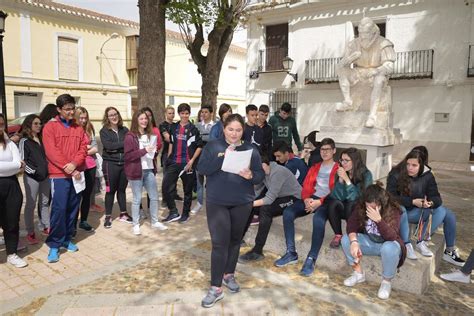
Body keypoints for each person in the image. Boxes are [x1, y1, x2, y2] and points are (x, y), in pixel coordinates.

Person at [197, 113, 264, 308]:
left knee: (235, 241)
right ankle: (215, 288)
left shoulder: (251, 149)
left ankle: (229, 275)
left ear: (243, 130)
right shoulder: (213, 146)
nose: (234, 134)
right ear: (224, 129)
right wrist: (223, 157)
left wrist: (251, 174)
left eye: (238, 130)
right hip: (217, 201)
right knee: (219, 243)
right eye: (230, 129)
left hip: (242, 202)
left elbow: (259, 175)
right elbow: (202, 169)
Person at [387, 150, 465, 266]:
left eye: (414, 165)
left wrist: (430, 203)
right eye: (408, 164)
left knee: (442, 211)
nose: (410, 168)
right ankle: (408, 244)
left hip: (418, 211)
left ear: (421, 165)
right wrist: (412, 202)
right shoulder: (396, 173)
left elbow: (437, 197)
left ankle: (422, 241)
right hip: (400, 212)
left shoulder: (427, 176)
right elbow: (390, 197)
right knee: (402, 208)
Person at [274, 138, 338, 276]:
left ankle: (311, 258)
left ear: (334, 151)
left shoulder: (338, 169)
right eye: (322, 149)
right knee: (288, 212)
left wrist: (319, 202)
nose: (325, 152)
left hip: (326, 201)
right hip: (311, 199)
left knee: (318, 220)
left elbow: (336, 191)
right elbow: (306, 185)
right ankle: (291, 252)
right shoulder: (315, 167)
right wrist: (306, 199)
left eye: (328, 149)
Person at [42, 94, 88, 263]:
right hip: (59, 175)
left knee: (73, 208)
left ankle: (67, 239)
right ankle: (54, 244)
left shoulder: (78, 128)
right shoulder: (50, 127)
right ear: (59, 110)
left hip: (75, 174)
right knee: (59, 209)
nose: (71, 112)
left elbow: (83, 148)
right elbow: (51, 151)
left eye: (72, 108)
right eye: (67, 109)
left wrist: (75, 164)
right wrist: (67, 166)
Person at [341, 184, 405, 300]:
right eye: (368, 206)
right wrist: (354, 242)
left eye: (375, 207)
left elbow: (392, 236)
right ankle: (358, 274)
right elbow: (351, 225)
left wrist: (379, 220)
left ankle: (386, 282)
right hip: (370, 243)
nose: (371, 209)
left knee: (389, 248)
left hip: (389, 245)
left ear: (382, 203)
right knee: (346, 239)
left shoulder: (393, 210)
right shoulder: (361, 207)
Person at [239, 154, 302, 262]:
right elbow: (256, 192)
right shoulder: (263, 172)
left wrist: (250, 203)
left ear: (263, 165)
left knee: (265, 209)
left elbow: (269, 199)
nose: (253, 171)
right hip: (280, 197)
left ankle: (257, 251)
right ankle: (238, 239)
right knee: (251, 206)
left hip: (294, 198)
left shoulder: (278, 172)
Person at [336, 17, 396, 128]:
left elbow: (389, 65)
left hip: (377, 73)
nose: (363, 36)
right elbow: (341, 65)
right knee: (341, 70)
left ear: (374, 32)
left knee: (379, 80)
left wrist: (376, 70)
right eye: (361, 33)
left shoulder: (384, 43)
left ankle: (372, 115)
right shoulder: (353, 44)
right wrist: (348, 60)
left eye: (366, 33)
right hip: (359, 72)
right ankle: (348, 102)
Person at [124, 109, 168, 235]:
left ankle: (155, 221)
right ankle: (136, 224)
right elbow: (128, 156)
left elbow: (153, 152)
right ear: (136, 120)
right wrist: (144, 151)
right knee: (137, 199)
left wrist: (154, 152)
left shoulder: (150, 135)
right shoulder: (130, 136)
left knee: (154, 197)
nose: (144, 121)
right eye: (141, 119)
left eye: (145, 118)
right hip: (136, 172)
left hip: (149, 170)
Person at [162, 103, 203, 224]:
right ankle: (173, 211)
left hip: (187, 164)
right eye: (182, 113)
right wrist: (169, 157)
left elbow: (199, 146)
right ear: (179, 114)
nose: (184, 116)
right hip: (174, 162)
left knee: (187, 191)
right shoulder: (173, 127)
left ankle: (185, 214)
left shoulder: (193, 129)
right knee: (166, 187)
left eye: (186, 113)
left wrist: (192, 161)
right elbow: (171, 142)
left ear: (189, 114)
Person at [327, 147, 373, 248]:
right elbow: (336, 196)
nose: (343, 163)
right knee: (333, 203)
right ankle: (338, 235)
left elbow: (359, 198)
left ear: (355, 161)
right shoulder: (342, 173)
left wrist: (347, 181)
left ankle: (354, 234)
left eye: (346, 160)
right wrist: (340, 181)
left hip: (359, 211)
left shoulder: (366, 175)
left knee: (351, 204)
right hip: (346, 207)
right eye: (341, 160)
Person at [0, 113, 28, 268]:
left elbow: (19, 164)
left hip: (12, 186)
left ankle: (12, 253)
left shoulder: (8, 142)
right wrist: (14, 166)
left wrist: (15, 166)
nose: (0, 127)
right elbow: (16, 165)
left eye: (2, 124)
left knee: (12, 221)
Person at [19, 114, 50, 244]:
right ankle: (30, 232)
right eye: (35, 123)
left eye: (40, 123)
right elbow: (23, 162)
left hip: (45, 177)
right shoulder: (24, 141)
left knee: (44, 203)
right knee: (31, 205)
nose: (39, 126)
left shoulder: (42, 139)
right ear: (29, 125)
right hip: (32, 178)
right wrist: (35, 172)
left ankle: (46, 226)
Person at [100, 107, 132, 228]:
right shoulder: (104, 131)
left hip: (124, 164)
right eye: (111, 115)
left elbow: (130, 144)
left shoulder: (125, 130)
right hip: (110, 164)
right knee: (110, 190)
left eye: (115, 114)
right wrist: (124, 144)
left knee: (122, 190)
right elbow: (108, 146)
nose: (114, 117)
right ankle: (108, 216)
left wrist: (117, 146)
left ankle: (123, 213)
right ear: (107, 118)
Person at [72, 107, 98, 236]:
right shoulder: (72, 129)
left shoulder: (89, 128)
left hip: (90, 166)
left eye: (85, 117)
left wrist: (84, 149)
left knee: (87, 195)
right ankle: (72, 225)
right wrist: (86, 149)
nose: (83, 120)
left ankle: (83, 221)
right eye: (81, 117)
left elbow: (95, 148)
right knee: (76, 196)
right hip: (78, 166)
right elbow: (73, 150)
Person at [140, 107, 163, 218]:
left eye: (149, 116)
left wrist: (153, 153)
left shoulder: (155, 130)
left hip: (151, 163)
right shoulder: (138, 130)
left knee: (151, 187)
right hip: (138, 164)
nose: (147, 118)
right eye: (145, 116)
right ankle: (139, 209)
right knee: (138, 188)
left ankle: (150, 208)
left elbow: (159, 144)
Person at [193, 105, 216, 215]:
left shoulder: (216, 126)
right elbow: (195, 141)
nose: (203, 114)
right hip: (199, 157)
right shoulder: (196, 126)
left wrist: (203, 140)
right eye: (202, 112)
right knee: (199, 181)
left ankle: (211, 203)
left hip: (212, 157)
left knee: (211, 182)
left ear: (211, 113)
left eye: (206, 112)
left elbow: (215, 142)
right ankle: (199, 203)